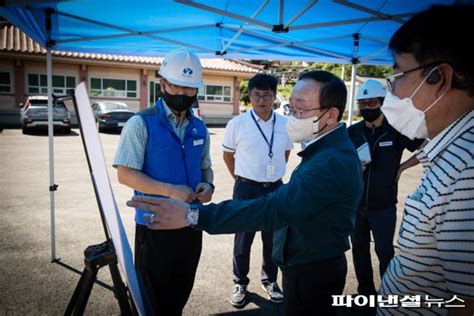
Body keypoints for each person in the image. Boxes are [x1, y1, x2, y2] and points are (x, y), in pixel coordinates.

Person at [128, 70, 364, 316]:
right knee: (243, 244)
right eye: (290, 108)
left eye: (300, 110)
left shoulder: (331, 161)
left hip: (313, 269)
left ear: (332, 115)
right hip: (303, 256)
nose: (293, 116)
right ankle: (241, 282)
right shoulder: (323, 149)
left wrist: (193, 215)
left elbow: (273, 210)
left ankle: (268, 279)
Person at [377, 4, 474, 315]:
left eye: (398, 73)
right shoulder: (454, 153)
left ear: (440, 78)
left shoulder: (468, 170)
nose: (391, 89)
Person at [113, 47, 214, 315]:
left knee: (179, 295)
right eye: (177, 86)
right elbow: (125, 173)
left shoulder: (199, 127)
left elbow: (206, 167)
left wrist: (208, 186)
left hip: (191, 222)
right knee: (152, 302)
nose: (182, 94)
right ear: (163, 84)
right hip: (154, 227)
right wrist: (170, 190)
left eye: (190, 89)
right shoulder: (140, 123)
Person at [222, 74, 293, 307]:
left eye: (267, 94)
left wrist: (271, 175)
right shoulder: (237, 124)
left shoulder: (285, 124)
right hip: (246, 188)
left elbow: (285, 153)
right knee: (243, 239)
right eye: (256, 94)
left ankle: (270, 280)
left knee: (272, 239)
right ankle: (240, 282)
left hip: (275, 189)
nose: (262, 99)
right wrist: (239, 179)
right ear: (249, 96)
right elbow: (227, 155)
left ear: (274, 96)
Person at [348, 79, 424, 296]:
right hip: (357, 205)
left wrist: (402, 168)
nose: (366, 108)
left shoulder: (395, 130)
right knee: (359, 251)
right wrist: (353, 166)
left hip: (384, 206)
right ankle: (365, 292)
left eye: (371, 103)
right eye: (362, 104)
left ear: (382, 103)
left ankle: (389, 292)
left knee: (384, 251)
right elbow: (340, 159)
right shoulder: (353, 132)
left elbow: (424, 147)